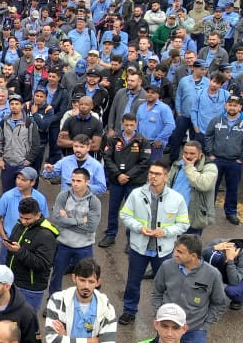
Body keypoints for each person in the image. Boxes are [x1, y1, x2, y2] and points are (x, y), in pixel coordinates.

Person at [118, 161, 190, 326]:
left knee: (167, 284)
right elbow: (125, 215)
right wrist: (139, 228)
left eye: (157, 174)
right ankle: (129, 311)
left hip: (163, 250)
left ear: (166, 176)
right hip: (139, 248)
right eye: (151, 173)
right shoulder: (136, 194)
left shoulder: (177, 199)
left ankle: (166, 314)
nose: (153, 176)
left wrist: (165, 232)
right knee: (133, 282)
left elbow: (184, 224)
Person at [203, 94, 243, 225]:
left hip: (234, 162)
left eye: (235, 105)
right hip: (216, 160)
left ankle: (231, 213)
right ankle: (208, 212)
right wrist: (210, 153)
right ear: (226, 106)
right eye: (230, 105)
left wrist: (242, 158)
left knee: (232, 189)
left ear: (240, 107)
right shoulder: (216, 119)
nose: (232, 107)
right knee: (211, 188)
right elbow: (208, 135)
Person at [99, 114, 151, 247]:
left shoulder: (142, 141)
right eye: (126, 125)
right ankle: (110, 235)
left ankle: (131, 239)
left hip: (134, 183)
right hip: (116, 182)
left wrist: (127, 175)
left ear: (136, 124)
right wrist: (118, 174)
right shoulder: (113, 139)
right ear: (122, 124)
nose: (129, 127)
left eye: (131, 125)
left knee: (133, 211)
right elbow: (107, 157)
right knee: (113, 209)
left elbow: (145, 162)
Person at [48, 168, 101, 294]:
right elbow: (56, 219)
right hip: (63, 245)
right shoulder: (63, 196)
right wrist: (79, 221)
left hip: (84, 247)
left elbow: (91, 227)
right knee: (56, 276)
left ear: (87, 182)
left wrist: (66, 220)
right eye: (73, 180)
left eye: (78, 181)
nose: (75, 183)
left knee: (86, 277)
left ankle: (83, 300)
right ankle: (53, 299)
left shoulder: (94, 202)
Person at [3, 197, 59, 310]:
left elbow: (43, 263)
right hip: (12, 282)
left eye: (27, 219)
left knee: (27, 322)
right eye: (21, 217)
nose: (23, 221)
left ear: (38, 215)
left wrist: (19, 251)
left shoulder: (46, 235)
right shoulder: (19, 225)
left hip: (30, 288)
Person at [0, 166, 49, 263]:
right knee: (3, 271)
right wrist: (4, 238)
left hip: (30, 244)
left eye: (23, 180)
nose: (19, 182)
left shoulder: (40, 198)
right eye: (18, 178)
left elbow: (44, 220)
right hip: (10, 243)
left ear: (32, 182)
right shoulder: (8, 196)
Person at [200, 237, 243, 311]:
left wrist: (230, 260)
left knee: (231, 290)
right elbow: (197, 255)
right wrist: (213, 247)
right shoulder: (219, 243)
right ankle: (209, 291)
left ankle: (238, 299)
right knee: (207, 260)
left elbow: (234, 281)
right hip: (224, 270)